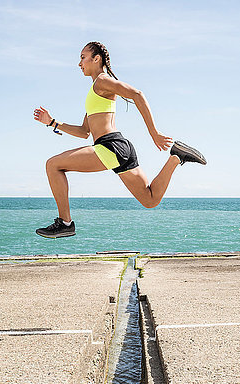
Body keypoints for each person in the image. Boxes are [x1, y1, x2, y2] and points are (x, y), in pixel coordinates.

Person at [33, 41, 206, 238]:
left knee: (53, 165)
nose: (79, 63)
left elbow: (137, 94)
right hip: (120, 148)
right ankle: (176, 156)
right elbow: (84, 132)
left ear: (96, 59)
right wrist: (52, 122)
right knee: (150, 200)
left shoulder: (101, 81)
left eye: (83, 57)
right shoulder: (94, 90)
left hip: (109, 147)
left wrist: (154, 133)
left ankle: (65, 223)